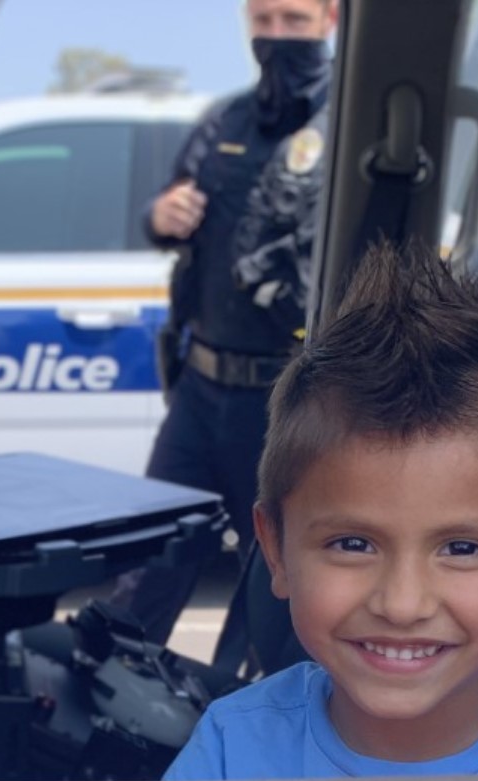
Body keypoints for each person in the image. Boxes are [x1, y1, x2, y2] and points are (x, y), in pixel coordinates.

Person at [165, 246, 478, 781]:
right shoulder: (230, 749)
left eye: (462, 548)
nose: (403, 605)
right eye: (353, 544)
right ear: (276, 549)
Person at [111, 0, 339, 644]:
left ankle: (271, 727)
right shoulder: (226, 120)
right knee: (149, 563)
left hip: (286, 398)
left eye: (293, 21)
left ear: (331, 19)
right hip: (200, 391)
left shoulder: (346, 127)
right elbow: (167, 213)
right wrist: (161, 217)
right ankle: (113, 718)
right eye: (263, 21)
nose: (275, 37)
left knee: (277, 593)